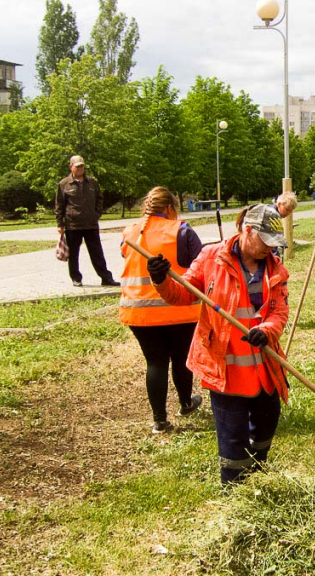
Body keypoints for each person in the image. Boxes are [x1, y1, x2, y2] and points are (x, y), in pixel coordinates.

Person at [147, 204, 290, 484]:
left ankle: (260, 482)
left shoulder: (275, 267)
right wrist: (160, 278)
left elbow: (280, 311)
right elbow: (181, 295)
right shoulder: (212, 257)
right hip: (225, 369)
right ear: (247, 230)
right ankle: (235, 492)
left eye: (274, 245)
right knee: (232, 438)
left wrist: (267, 329)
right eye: (266, 242)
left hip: (264, 367)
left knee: (265, 428)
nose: (270, 250)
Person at [119, 186, 204, 434]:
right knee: (180, 358)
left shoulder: (129, 233)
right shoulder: (182, 230)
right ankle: (186, 403)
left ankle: (159, 420)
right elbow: (199, 265)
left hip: (138, 312)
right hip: (177, 310)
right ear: (169, 208)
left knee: (155, 362)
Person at [55, 155, 120, 287]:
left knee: (97, 253)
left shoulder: (92, 182)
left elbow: (99, 198)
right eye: (77, 166)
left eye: (82, 166)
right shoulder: (63, 184)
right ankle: (76, 278)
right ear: (71, 167)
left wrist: (97, 213)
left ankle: (106, 278)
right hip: (73, 225)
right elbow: (59, 205)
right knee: (73, 254)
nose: (80, 168)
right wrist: (60, 224)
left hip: (91, 224)